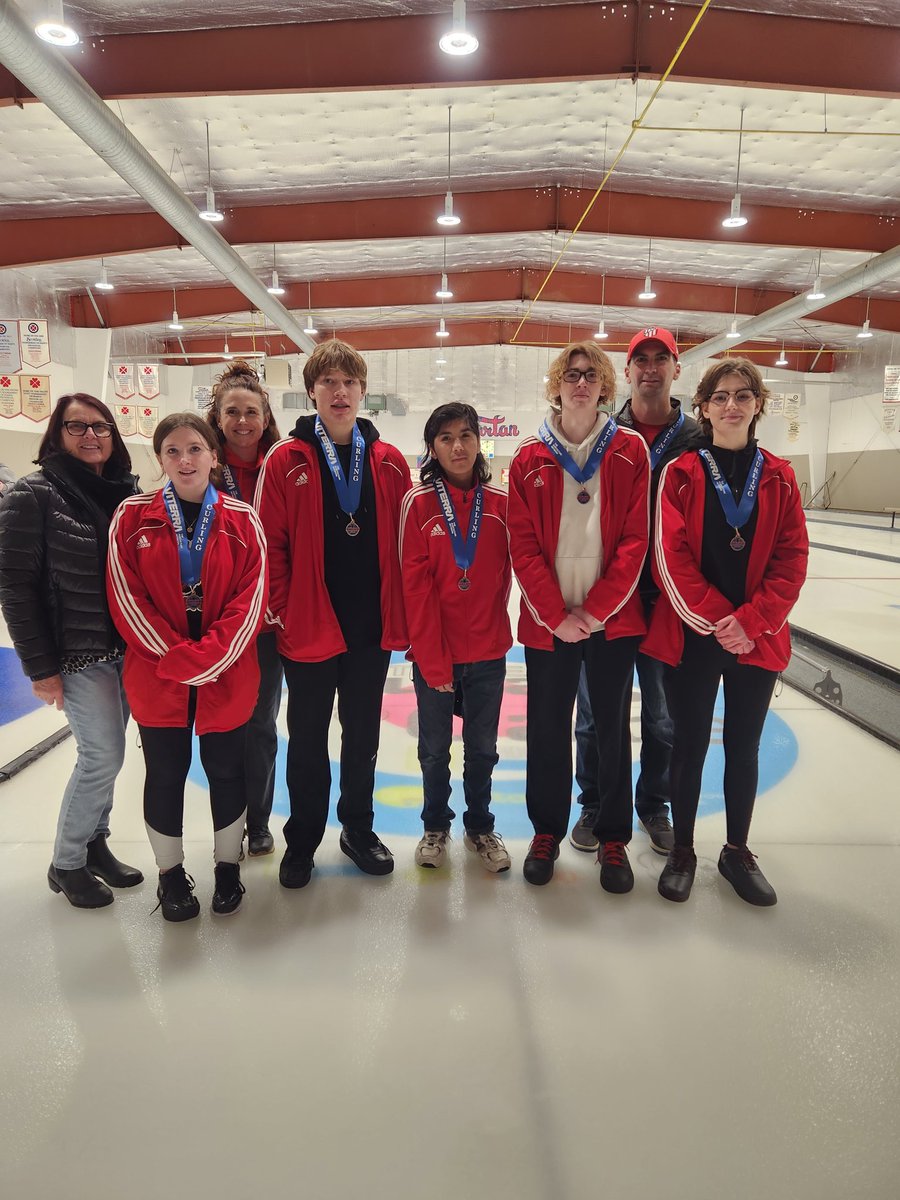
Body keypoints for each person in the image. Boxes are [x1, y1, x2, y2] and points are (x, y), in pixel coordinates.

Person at [643, 358, 808, 906]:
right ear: (704, 407)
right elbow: (672, 558)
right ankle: (685, 850)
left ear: (758, 405)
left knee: (744, 747)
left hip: (756, 639)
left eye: (742, 396)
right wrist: (722, 620)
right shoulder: (682, 472)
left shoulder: (780, 476)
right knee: (687, 746)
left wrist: (752, 622)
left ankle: (736, 851)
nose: (731, 405)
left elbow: (792, 559)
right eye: (720, 396)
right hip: (694, 637)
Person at [255, 339, 411, 888]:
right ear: (313, 392)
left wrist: (404, 617)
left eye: (349, 382)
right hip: (308, 626)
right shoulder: (286, 459)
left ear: (364, 393)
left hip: (369, 629)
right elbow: (268, 544)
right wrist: (282, 610)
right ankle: (302, 841)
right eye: (328, 382)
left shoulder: (389, 461)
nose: (339, 391)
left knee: (363, 738)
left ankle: (358, 829)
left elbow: (406, 546)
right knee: (307, 741)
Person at [107, 413, 267, 921]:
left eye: (195, 448)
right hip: (158, 677)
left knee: (226, 771)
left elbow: (252, 601)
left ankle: (226, 869)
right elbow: (125, 598)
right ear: (160, 460)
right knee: (165, 774)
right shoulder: (131, 517)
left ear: (214, 455)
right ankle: (171, 877)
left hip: (228, 673)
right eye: (173, 451)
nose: (185, 460)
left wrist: (209, 659)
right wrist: (180, 660)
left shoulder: (243, 518)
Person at [508, 342, 650, 889]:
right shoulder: (528, 457)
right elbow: (522, 545)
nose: (581, 383)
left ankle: (613, 839)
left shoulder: (630, 450)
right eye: (571, 375)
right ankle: (547, 830)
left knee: (612, 729)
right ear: (556, 385)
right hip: (551, 625)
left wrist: (593, 613)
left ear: (605, 387)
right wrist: (555, 614)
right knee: (547, 729)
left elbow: (636, 541)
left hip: (610, 620)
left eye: (591, 376)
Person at [0, 393, 143, 908]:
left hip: (124, 650)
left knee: (112, 754)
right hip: (77, 653)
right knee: (100, 756)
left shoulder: (124, 492)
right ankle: (65, 862)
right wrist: (40, 668)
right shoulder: (32, 494)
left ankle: (94, 842)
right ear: (57, 435)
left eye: (100, 427)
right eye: (76, 427)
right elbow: (15, 587)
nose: (90, 436)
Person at [570, 327, 702, 857]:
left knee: (663, 714)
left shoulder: (698, 437)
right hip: (608, 592)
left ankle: (653, 803)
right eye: (640, 360)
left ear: (676, 368)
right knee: (594, 711)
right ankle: (596, 801)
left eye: (660, 359)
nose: (650, 368)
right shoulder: (603, 432)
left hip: (669, 596)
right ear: (625, 373)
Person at [399, 402, 512, 873]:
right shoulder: (418, 504)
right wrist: (432, 660)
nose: (457, 446)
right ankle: (435, 826)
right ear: (432, 448)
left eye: (466, 435)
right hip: (436, 653)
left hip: (487, 652)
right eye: (445, 438)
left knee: (483, 749)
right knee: (433, 750)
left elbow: (513, 573)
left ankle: (481, 826)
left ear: (479, 442)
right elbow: (415, 587)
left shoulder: (503, 506)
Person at [205, 361, 283, 858]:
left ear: (265, 415)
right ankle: (225, 820)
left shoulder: (283, 464)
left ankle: (257, 820)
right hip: (218, 619)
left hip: (271, 621)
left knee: (261, 722)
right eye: (231, 412)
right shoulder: (200, 467)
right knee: (221, 723)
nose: (242, 421)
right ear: (217, 417)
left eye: (250, 411)